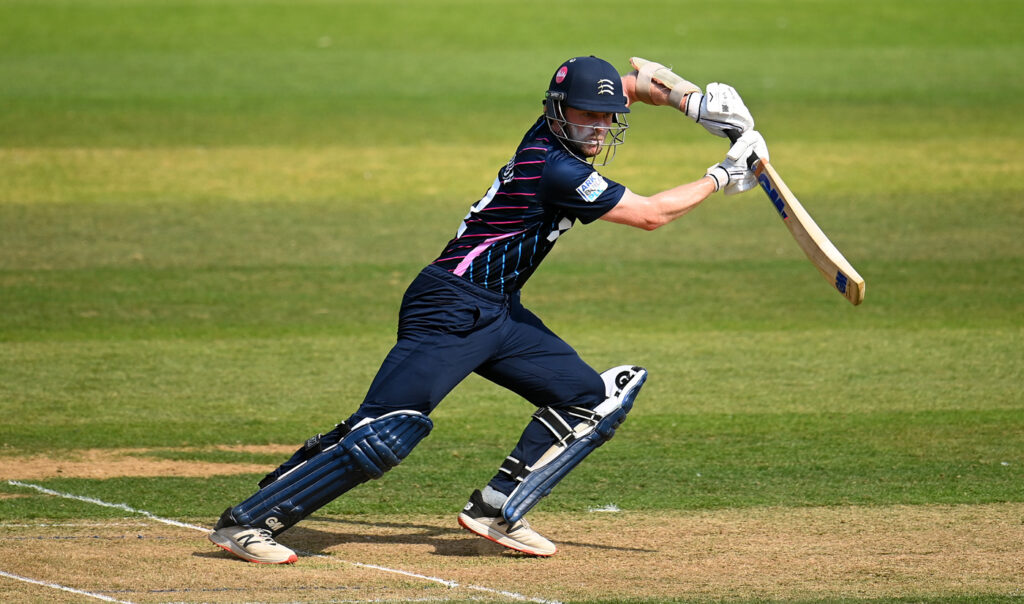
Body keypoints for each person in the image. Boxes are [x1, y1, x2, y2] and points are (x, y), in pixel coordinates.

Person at [207, 55, 768, 563]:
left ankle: (497, 508)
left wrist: (692, 102)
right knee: (385, 431)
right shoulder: (557, 168)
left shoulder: (560, 130)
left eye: (606, 119)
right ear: (557, 113)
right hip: (449, 307)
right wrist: (723, 173)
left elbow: (630, 82)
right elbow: (650, 215)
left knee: (584, 398)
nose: (597, 128)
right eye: (585, 117)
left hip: (497, 310)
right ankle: (249, 523)